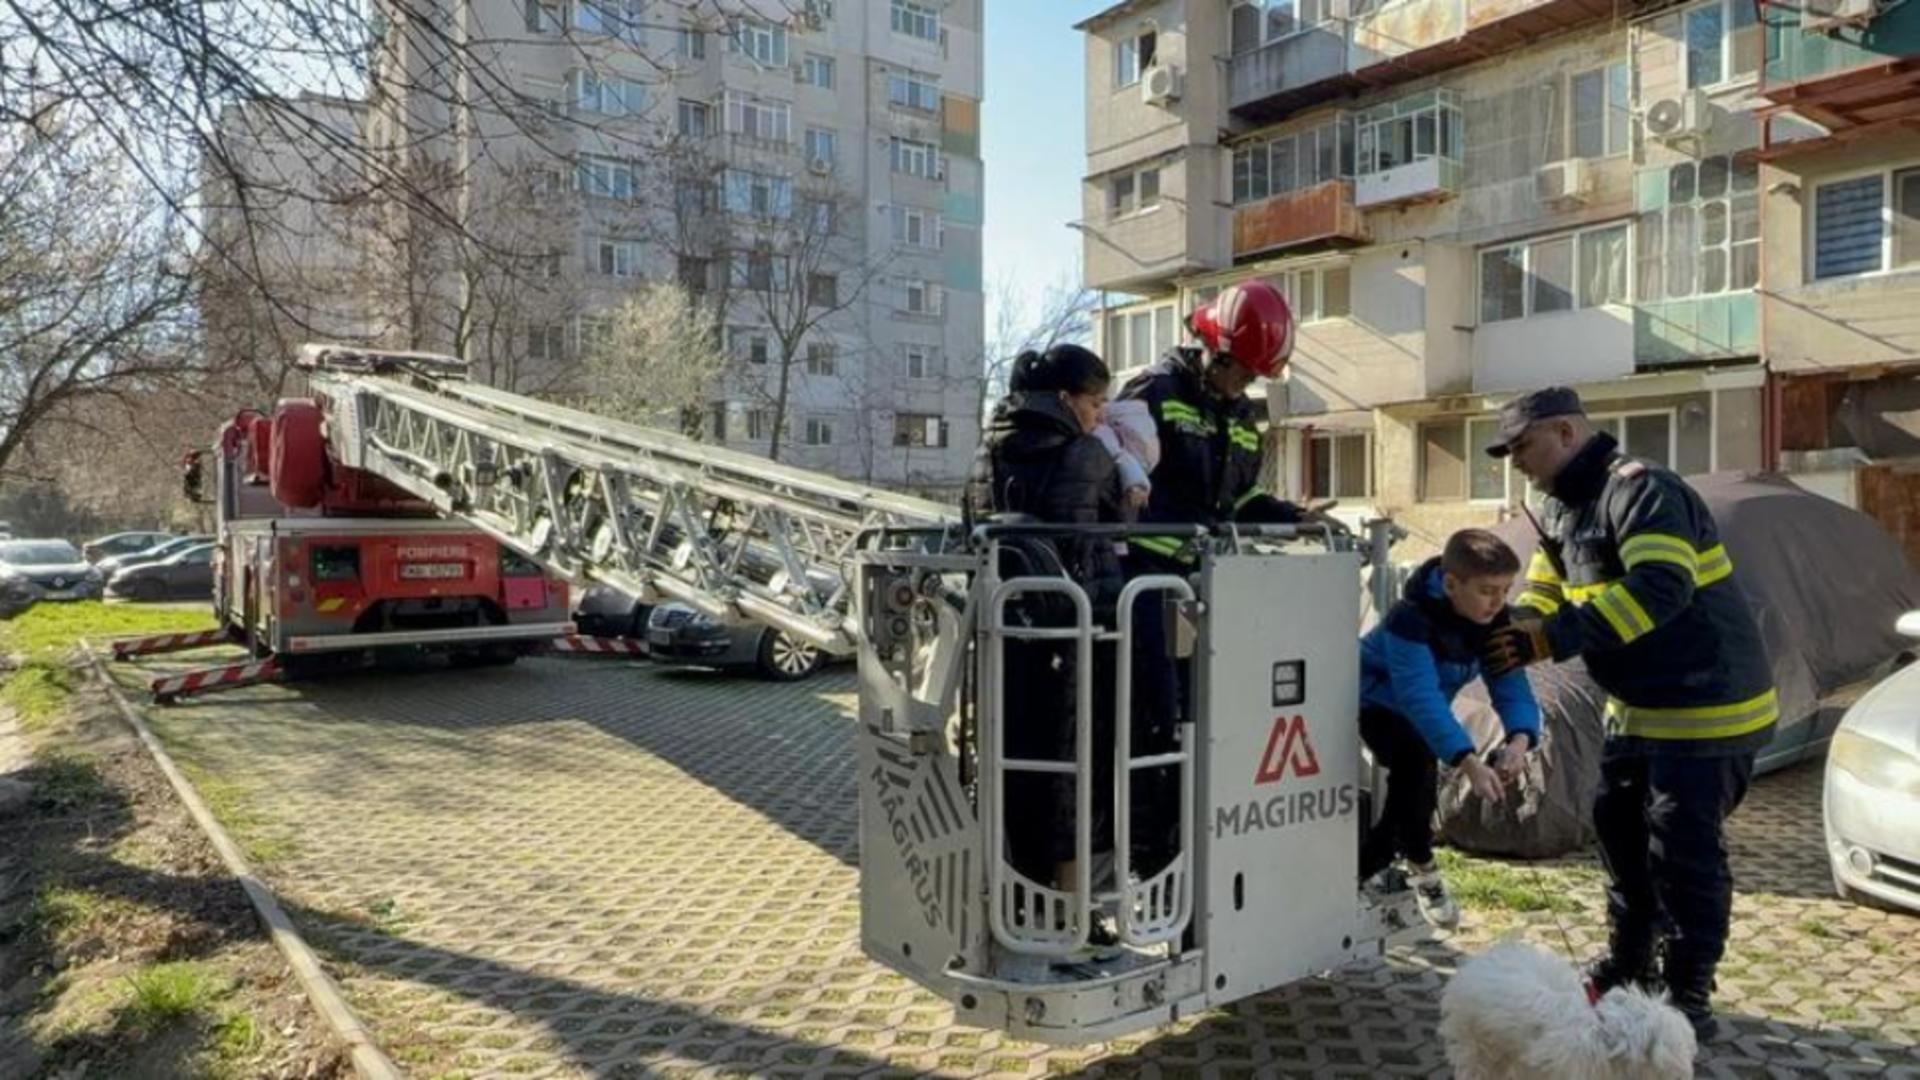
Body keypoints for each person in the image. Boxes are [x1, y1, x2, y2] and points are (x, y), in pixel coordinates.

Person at [1478, 387, 1776, 1041]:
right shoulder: (1558, 509)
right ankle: (1630, 965)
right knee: (1620, 837)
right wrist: (1509, 628)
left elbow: (1661, 589)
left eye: (1522, 447)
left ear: (1563, 432)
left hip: (1708, 703)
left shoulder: (1640, 490)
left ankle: (1687, 991)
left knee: (1682, 854)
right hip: (1639, 707)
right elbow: (1545, 594)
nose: (1515, 462)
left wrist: (1551, 639)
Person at [967, 344, 1125, 906]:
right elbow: (1103, 540)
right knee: (1078, 774)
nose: (1100, 414)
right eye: (1095, 401)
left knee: (1009, 763)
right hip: (1074, 641)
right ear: (1064, 398)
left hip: (1002, 635)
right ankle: (1073, 910)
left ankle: (1013, 895)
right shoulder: (1087, 456)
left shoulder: (986, 453)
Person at [1357, 528, 1542, 929]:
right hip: (1369, 700)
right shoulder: (1409, 620)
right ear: (1451, 583)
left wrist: (1518, 741)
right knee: (1417, 762)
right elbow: (1419, 697)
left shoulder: (1495, 622)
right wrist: (1470, 762)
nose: (1498, 602)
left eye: (1506, 589)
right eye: (1488, 590)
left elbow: (1511, 686)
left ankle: (1369, 866)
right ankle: (1420, 865)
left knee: (1417, 777)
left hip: (1418, 710)